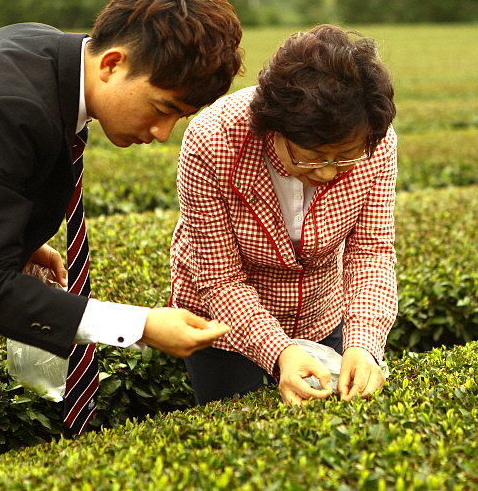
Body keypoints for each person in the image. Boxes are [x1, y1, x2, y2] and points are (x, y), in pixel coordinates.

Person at [0, 0, 242, 474]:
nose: (161, 132)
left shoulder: (46, 54)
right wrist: (142, 326)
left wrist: (13, 243)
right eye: (162, 108)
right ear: (112, 63)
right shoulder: (10, 105)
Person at [169, 24, 397, 406]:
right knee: (236, 425)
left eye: (344, 157)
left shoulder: (375, 140)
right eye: (311, 156)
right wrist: (281, 353)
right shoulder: (213, 141)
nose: (326, 172)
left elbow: (370, 253)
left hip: (321, 311)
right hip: (224, 325)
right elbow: (219, 278)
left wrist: (364, 344)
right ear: (275, 127)